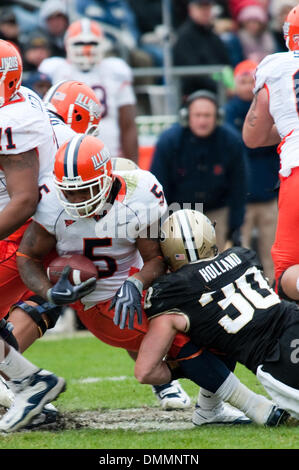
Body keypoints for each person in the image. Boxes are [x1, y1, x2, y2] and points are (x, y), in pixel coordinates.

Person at [16, 134, 252, 425]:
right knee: (184, 340)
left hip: (137, 288)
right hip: (96, 302)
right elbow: (26, 257)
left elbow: (154, 258)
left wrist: (136, 281)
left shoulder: (140, 193)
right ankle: (254, 407)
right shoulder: (51, 200)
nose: (75, 200)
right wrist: (49, 293)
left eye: (84, 190)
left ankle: (210, 406)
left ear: (106, 178)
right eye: (68, 192)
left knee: (214, 324)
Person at [134, 208, 299, 424]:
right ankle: (209, 410)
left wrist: (193, 368)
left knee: (209, 331)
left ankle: (221, 408)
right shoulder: (242, 255)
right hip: (293, 320)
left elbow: (145, 372)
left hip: (276, 359)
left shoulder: (172, 291)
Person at [0, 39, 67, 432]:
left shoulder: (13, 119)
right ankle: (29, 387)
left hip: (28, 230)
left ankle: (29, 384)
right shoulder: (18, 98)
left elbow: (24, 199)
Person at [242, 4, 299, 302]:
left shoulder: (277, 66)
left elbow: (253, 136)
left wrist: (288, 124)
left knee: (287, 270)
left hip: (297, 167)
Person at [150, 89, 248, 252]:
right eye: (198, 115)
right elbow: (158, 185)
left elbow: (239, 186)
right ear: (186, 116)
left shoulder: (231, 141)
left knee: (215, 264)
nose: (202, 121)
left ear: (217, 117)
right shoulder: (169, 141)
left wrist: (235, 225)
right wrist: (162, 223)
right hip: (178, 211)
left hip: (217, 212)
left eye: (207, 115)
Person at [39, 17, 139, 163]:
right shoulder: (54, 70)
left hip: (109, 151)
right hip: (65, 152)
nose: (86, 49)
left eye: (92, 43)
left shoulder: (115, 71)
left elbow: (128, 123)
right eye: (79, 43)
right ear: (67, 44)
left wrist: (132, 164)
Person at [224, 60, 279, 284]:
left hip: (269, 195)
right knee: (241, 254)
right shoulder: (229, 112)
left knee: (273, 252)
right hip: (241, 199)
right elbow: (236, 148)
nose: (248, 86)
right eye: (243, 81)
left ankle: (278, 295)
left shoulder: (272, 105)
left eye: (251, 81)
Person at [172, 0, 232, 96]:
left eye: (207, 7)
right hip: (195, 95)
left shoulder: (214, 36)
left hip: (219, 91)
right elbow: (192, 74)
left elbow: (226, 64)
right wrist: (221, 88)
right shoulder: (184, 37)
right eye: (200, 7)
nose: (205, 11)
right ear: (190, 9)